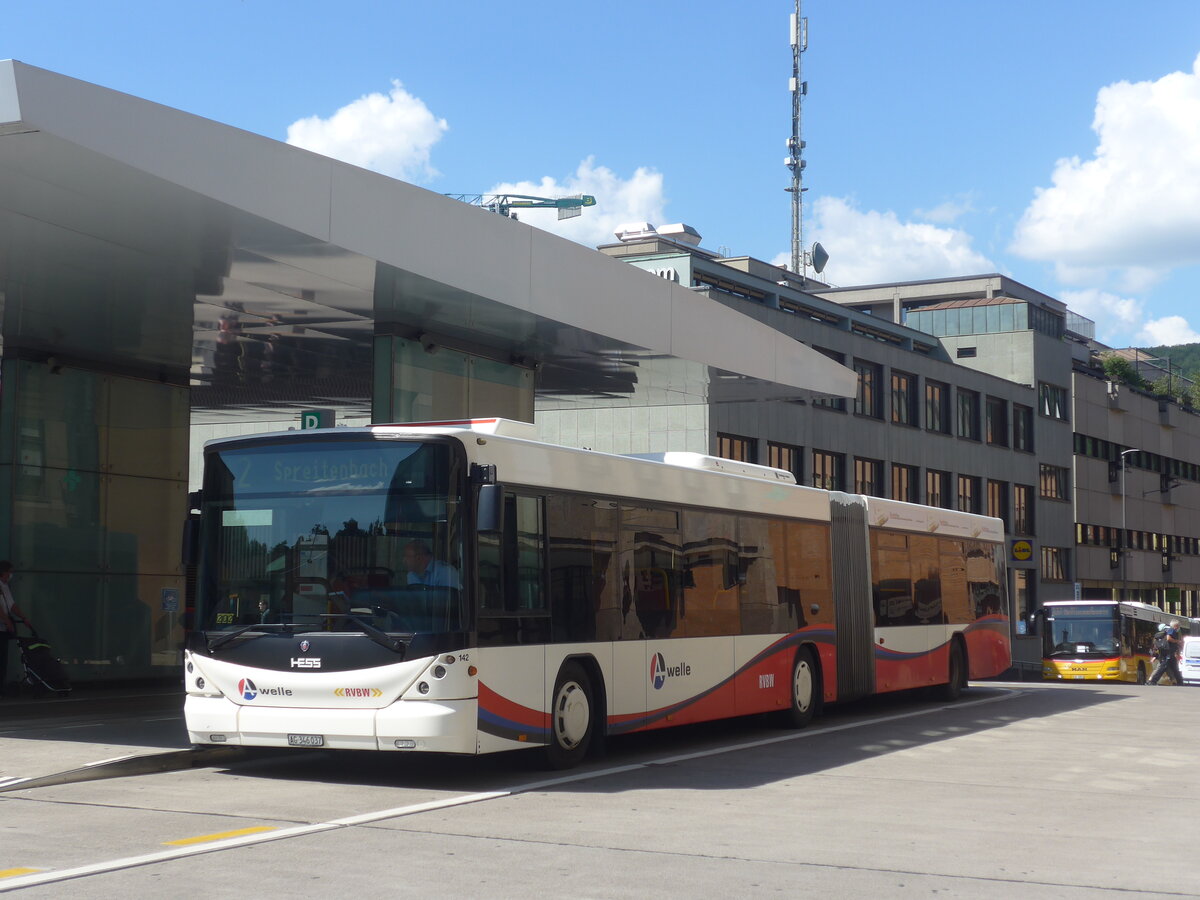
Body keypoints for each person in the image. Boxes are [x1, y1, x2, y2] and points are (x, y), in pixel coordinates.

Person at [0, 560, 34, 698]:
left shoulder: (4, 586)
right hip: (2, 625)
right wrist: (7, 621)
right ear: (4, 572)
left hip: (2, 629)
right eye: (10, 571)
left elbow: (11, 605)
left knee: (2, 659)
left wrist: (23, 617)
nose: (11, 574)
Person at [1148, 621, 1183, 686]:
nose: (1178, 627)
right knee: (1163, 667)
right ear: (1175, 626)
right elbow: (1168, 638)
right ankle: (1153, 681)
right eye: (1178, 626)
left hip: (1168, 652)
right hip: (1168, 652)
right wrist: (1177, 641)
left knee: (1173, 668)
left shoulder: (1168, 630)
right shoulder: (1171, 630)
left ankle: (1179, 682)